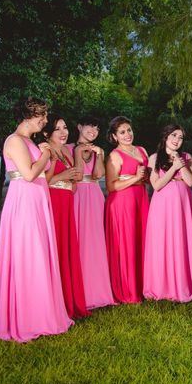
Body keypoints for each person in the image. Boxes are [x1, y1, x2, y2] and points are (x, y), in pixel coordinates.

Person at [0, 98, 73, 342]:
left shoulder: (30, 141)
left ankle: (42, 312)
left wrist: (45, 155)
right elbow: (28, 174)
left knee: (40, 253)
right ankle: (25, 316)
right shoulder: (14, 140)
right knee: (28, 254)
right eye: (43, 115)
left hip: (39, 199)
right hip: (25, 200)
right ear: (29, 114)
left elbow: (42, 173)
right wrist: (45, 154)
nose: (46, 120)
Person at [143, 124, 192, 301]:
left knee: (182, 241)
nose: (177, 140)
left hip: (182, 206)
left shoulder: (187, 157)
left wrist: (180, 164)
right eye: (174, 136)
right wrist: (173, 167)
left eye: (180, 137)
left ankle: (183, 284)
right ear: (165, 137)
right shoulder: (154, 158)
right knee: (163, 242)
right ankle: (162, 287)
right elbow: (157, 185)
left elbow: (191, 181)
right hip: (162, 207)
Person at [43, 113, 91, 319]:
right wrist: (62, 177)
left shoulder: (66, 150)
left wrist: (78, 153)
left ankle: (68, 300)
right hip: (51, 203)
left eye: (65, 128)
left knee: (67, 248)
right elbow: (38, 182)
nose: (63, 133)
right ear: (46, 133)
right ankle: (51, 303)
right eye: (58, 129)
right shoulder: (44, 150)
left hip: (66, 203)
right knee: (55, 249)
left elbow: (77, 178)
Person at [70, 116, 115, 309]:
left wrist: (101, 156)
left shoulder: (99, 151)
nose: (93, 131)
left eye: (97, 129)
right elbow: (77, 174)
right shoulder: (68, 147)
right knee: (78, 239)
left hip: (94, 195)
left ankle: (98, 292)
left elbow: (97, 175)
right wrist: (79, 152)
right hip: (76, 194)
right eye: (90, 126)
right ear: (80, 126)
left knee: (95, 241)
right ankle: (78, 292)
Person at [104, 116, 149, 303]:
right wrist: (135, 178)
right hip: (122, 203)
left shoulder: (141, 150)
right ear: (115, 136)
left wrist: (145, 178)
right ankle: (129, 290)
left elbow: (146, 177)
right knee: (128, 243)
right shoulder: (114, 155)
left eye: (129, 130)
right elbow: (111, 186)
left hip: (141, 199)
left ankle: (145, 286)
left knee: (143, 241)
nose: (127, 135)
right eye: (122, 132)